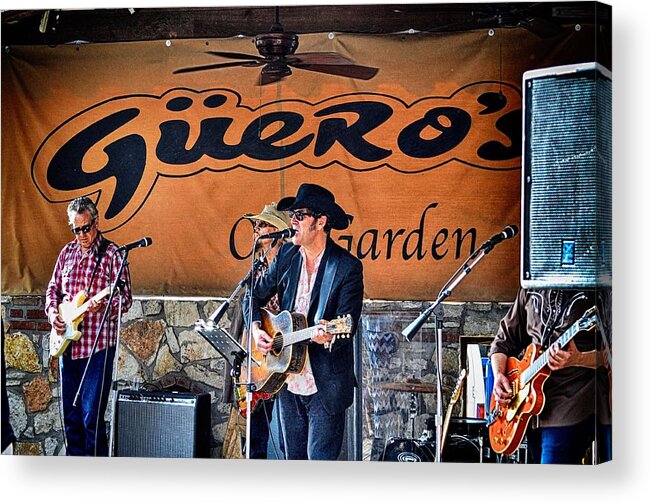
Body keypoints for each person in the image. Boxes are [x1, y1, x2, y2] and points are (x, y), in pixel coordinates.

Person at [244, 183, 364, 460]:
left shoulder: (346, 266)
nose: (292, 221)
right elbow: (252, 295)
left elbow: (348, 323)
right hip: (288, 380)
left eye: (300, 215)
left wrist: (328, 335)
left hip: (325, 383)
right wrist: (257, 328)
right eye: (292, 215)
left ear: (321, 222)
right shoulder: (286, 256)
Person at [45, 196, 132, 456]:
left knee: (90, 418)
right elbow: (53, 290)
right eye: (75, 229)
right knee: (70, 418)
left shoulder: (113, 254)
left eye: (85, 228)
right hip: (69, 346)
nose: (81, 235)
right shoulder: (67, 253)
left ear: (96, 222)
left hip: (98, 347)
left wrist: (103, 306)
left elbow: (125, 299)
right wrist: (53, 315)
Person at [489, 288, 612, 464]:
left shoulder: (596, 288)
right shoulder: (530, 287)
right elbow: (503, 342)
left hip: (570, 404)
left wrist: (578, 359)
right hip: (530, 413)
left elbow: (614, 355)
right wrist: (499, 374)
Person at [222, 202, 291, 459]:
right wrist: (255, 328)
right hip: (261, 358)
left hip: (286, 356)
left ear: (276, 231)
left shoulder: (291, 263)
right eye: (255, 225)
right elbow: (251, 303)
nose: (256, 230)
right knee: (255, 435)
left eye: (261, 225)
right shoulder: (259, 267)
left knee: (288, 438)